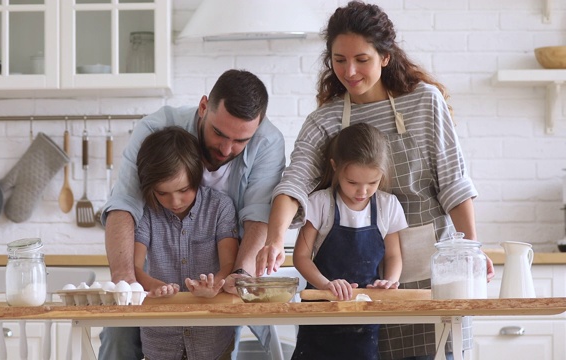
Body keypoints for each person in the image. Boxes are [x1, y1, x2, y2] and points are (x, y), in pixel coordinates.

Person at [255, 2, 495, 359]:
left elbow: (454, 184)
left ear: (384, 57)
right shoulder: (326, 120)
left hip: (427, 277)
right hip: (356, 286)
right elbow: (294, 184)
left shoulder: (424, 103)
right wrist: (275, 240)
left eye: (362, 59)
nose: (349, 71)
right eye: (339, 60)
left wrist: (471, 251)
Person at [99, 69, 286, 359]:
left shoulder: (268, 142)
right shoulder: (156, 129)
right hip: (153, 274)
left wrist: (240, 273)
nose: (226, 149)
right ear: (203, 107)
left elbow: (259, 215)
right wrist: (126, 279)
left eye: (240, 141)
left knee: (217, 342)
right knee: (118, 337)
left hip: (226, 274)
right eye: (219, 133)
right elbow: (124, 204)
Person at [292, 123, 407, 360]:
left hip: (364, 318)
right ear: (335, 167)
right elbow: (301, 257)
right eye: (353, 182)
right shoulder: (320, 203)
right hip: (320, 311)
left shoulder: (388, 206)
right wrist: (326, 285)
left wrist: (389, 281)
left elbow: (394, 255)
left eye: (372, 183)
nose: (362, 191)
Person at [133, 127, 239, 360]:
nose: (175, 201)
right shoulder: (146, 213)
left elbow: (230, 264)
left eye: (184, 190)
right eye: (163, 193)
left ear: (196, 175)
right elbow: (134, 268)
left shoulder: (220, 207)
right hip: (159, 340)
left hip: (212, 338)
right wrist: (154, 286)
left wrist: (215, 285)